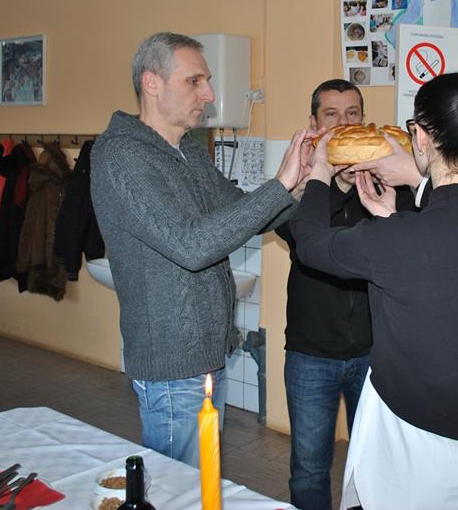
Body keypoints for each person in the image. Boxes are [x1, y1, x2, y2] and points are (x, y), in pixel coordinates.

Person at [291, 72, 458, 509]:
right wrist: (393, 215)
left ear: (419, 137)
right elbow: (454, 254)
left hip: (418, 446)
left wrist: (320, 172)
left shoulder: (397, 239)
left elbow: (310, 243)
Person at [91, 32, 309, 468]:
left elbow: (246, 213)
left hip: (207, 355)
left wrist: (302, 183)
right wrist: (280, 184)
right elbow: (191, 246)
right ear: (152, 83)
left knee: (201, 481)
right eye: (195, 81)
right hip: (173, 365)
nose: (209, 94)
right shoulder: (121, 157)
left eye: (207, 81)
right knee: (180, 488)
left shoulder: (186, 150)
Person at [275, 80, 413, 510]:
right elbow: (299, 235)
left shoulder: (388, 179)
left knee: (371, 465)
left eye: (352, 113)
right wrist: (334, 186)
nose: (342, 122)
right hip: (311, 353)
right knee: (309, 468)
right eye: (331, 114)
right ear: (314, 122)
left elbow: (409, 238)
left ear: (364, 121)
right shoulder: (299, 182)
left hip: (374, 352)